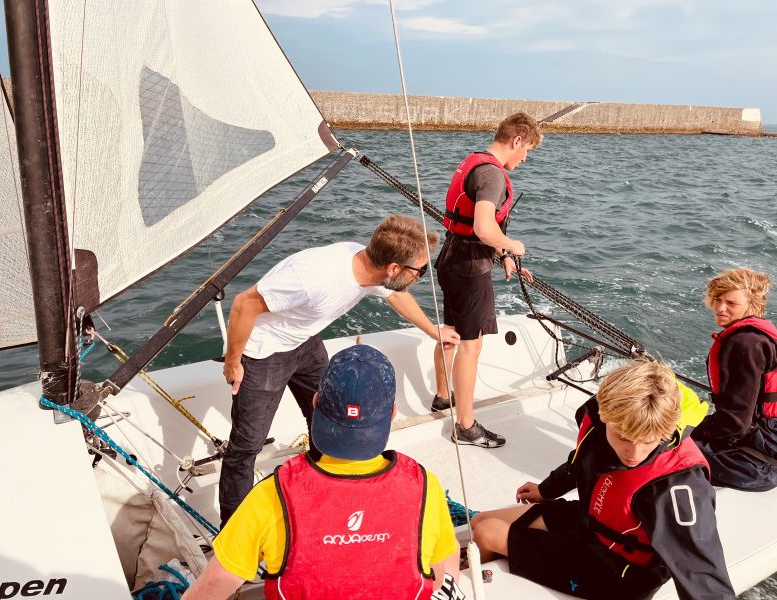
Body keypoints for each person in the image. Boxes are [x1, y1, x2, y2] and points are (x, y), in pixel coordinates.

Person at [219, 215, 460, 527]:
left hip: (305, 343)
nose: (421, 277)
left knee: (330, 420)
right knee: (246, 446)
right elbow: (243, 304)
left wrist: (432, 330)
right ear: (393, 269)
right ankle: (233, 532)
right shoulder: (313, 277)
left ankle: (323, 498)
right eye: (420, 271)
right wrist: (233, 362)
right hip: (264, 353)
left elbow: (396, 294)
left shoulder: (369, 267)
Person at [185, 345, 463, 600]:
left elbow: (213, 586)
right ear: (391, 413)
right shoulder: (424, 485)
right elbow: (442, 573)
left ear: (316, 402)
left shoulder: (272, 494)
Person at [470, 360, 735, 600]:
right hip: (590, 525)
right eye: (623, 438)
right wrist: (546, 489)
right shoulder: (605, 417)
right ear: (604, 416)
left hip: (617, 573)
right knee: (479, 522)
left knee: (486, 532)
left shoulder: (677, 485)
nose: (634, 454)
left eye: (648, 442)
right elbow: (584, 460)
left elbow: (702, 574)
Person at [432, 112, 540, 448]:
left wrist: (503, 256)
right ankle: (465, 425)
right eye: (528, 150)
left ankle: (441, 396)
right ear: (517, 140)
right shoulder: (492, 175)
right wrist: (512, 245)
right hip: (470, 268)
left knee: (450, 330)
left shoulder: (474, 162)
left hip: (451, 259)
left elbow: (473, 229)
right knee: (470, 343)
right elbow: (483, 226)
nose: (525, 158)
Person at [693, 267, 777, 491]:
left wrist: (690, 432)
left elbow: (735, 423)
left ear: (753, 305)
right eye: (717, 299)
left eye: (731, 303)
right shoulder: (761, 338)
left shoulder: (745, 344)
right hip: (767, 448)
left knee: (656, 449)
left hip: (755, 465)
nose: (720, 308)